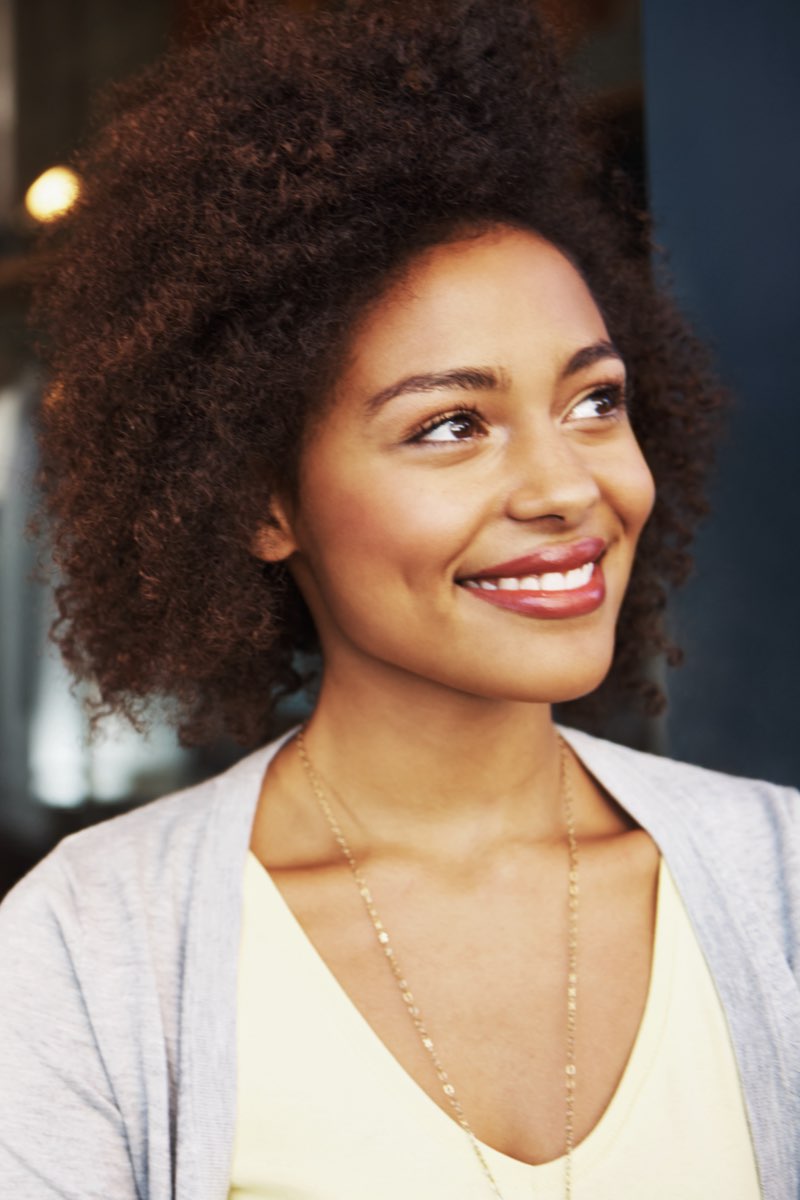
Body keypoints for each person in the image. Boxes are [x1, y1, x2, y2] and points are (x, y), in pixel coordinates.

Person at [0, 2, 797, 1198]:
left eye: (593, 401)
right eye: (449, 425)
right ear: (265, 504)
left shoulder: (780, 881)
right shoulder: (90, 949)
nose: (565, 486)